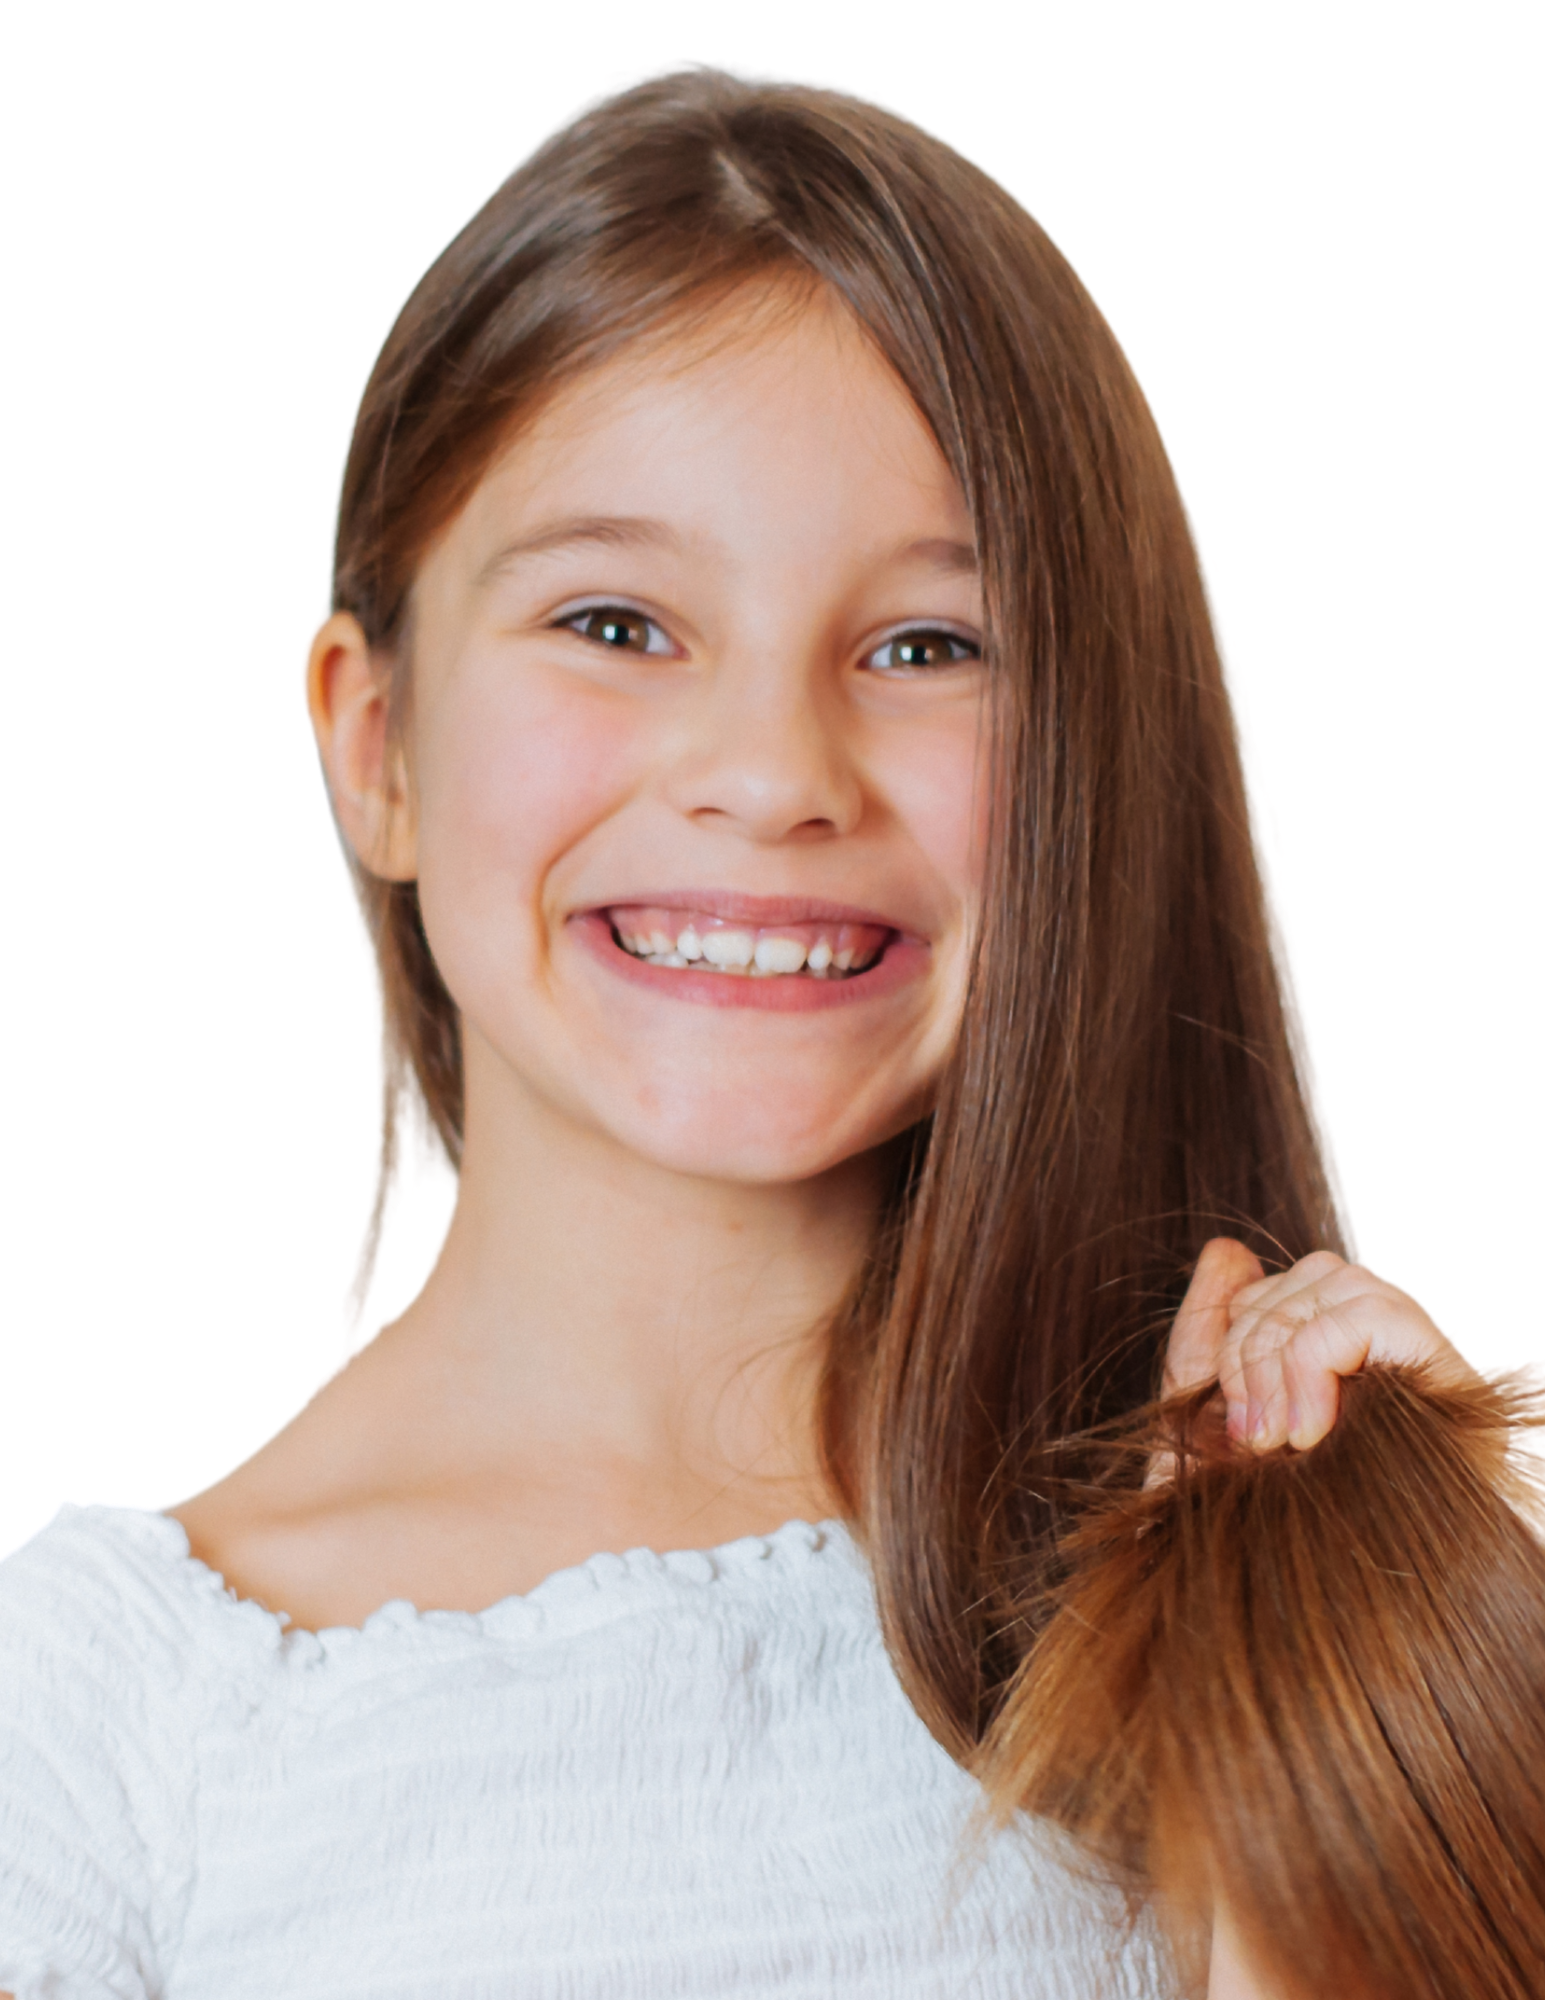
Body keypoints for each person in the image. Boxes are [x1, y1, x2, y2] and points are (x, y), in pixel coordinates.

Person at [3, 60, 1537, 2000]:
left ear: (1094, 757)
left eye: (924, 646)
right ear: (371, 744)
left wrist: (1381, 1658)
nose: (770, 772)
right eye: (616, 623)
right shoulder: (100, 1720)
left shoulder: (1264, 1546)